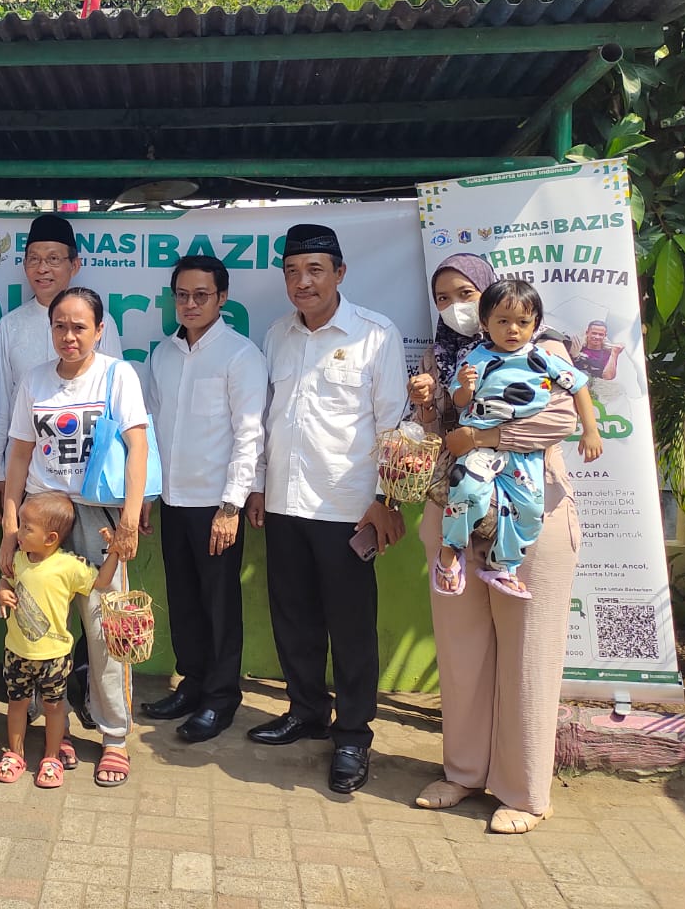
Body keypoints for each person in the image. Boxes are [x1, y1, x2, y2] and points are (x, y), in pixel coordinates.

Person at [407, 253, 584, 834]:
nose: (454, 307)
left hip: (530, 516)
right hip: (457, 516)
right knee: (461, 653)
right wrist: (427, 405)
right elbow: (440, 435)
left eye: (464, 293)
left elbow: (559, 421)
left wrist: (484, 436)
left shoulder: (545, 351)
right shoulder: (442, 358)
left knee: (529, 656)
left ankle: (526, 792)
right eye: (442, 298)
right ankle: (463, 772)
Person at [246, 223, 407, 796]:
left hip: (349, 508)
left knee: (351, 627)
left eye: (315, 270)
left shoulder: (375, 335)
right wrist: (258, 486)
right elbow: (265, 418)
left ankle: (354, 735)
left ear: (339, 273)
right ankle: (306, 710)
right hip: (285, 502)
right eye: (292, 272)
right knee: (293, 617)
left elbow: (394, 426)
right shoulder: (277, 335)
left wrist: (386, 499)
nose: (303, 282)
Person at [1, 286, 149, 788]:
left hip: (98, 518)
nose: (69, 336)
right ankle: (54, 730)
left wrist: (128, 522)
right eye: (60, 326)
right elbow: (19, 455)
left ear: (100, 330)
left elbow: (137, 448)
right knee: (42, 629)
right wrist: (10, 527)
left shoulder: (117, 375)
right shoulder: (35, 380)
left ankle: (114, 736)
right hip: (42, 519)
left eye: (80, 326)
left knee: (107, 630)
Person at [141, 255, 266, 742]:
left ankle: (220, 698)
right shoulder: (163, 355)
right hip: (173, 501)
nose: (190, 304)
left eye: (201, 295)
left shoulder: (240, 355)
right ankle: (191, 684)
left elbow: (249, 435)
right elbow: (150, 428)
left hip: (217, 505)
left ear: (222, 298)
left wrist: (231, 505)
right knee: (184, 599)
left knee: (219, 604)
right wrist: (148, 493)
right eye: (182, 295)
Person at [438, 280, 603, 600]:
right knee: (467, 492)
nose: (513, 329)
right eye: (503, 321)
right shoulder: (476, 357)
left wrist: (591, 430)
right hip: (480, 446)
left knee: (530, 509)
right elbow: (459, 402)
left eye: (523, 322)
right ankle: (449, 550)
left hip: (525, 452)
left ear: (535, 324)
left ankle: (503, 565)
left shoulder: (543, 357)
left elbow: (579, 385)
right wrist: (465, 388)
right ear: (485, 323)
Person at [0, 212, 121, 518]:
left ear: (74, 265)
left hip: (91, 481)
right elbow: (1, 402)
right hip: (32, 480)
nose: (42, 268)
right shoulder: (10, 325)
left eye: (53, 259)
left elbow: (115, 404)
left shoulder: (101, 323)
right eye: (34, 259)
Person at [0, 492, 122, 789]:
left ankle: (51, 758)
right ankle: (15, 754)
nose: (18, 532)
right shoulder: (19, 559)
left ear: (50, 538)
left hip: (54, 657)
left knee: (54, 708)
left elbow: (100, 582)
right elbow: (5, 580)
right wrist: (2, 592)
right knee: (17, 704)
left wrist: (114, 551)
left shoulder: (69, 566)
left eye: (26, 528)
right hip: (17, 653)